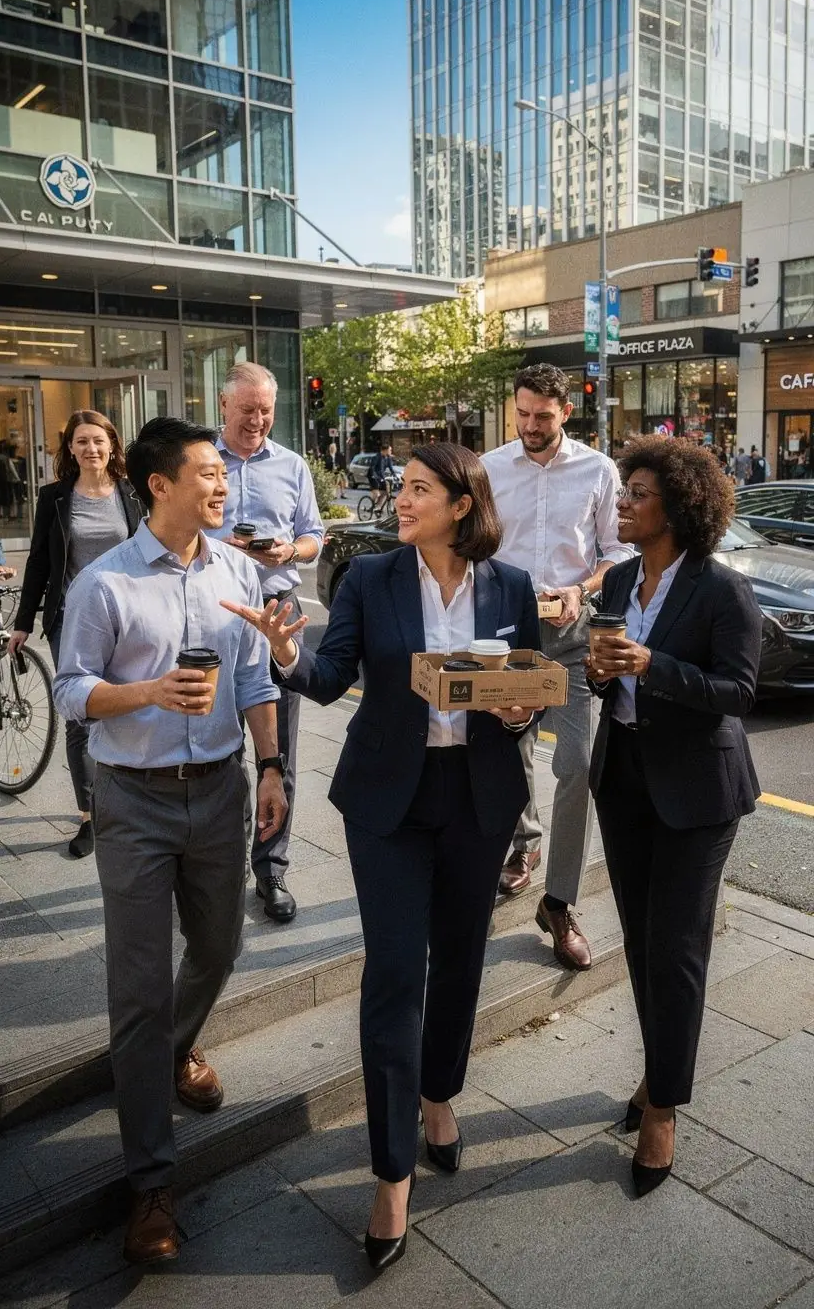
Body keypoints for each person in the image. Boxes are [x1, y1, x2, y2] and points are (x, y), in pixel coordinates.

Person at [222, 443, 544, 1273]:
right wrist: (284, 652)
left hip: (478, 800)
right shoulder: (369, 578)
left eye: (418, 490)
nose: (400, 501)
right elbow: (328, 679)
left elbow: (523, 701)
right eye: (400, 489)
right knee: (398, 974)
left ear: (462, 504)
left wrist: (514, 711)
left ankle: (441, 1099)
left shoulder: (507, 587)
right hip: (389, 805)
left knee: (462, 962)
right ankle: (393, 1170)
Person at [52, 418, 287, 1265]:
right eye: (208, 473)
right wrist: (148, 690)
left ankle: (173, 1050)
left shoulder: (235, 568)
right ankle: (151, 1183)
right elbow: (73, 692)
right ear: (159, 484)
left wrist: (271, 766)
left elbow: (258, 676)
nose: (223, 485)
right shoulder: (106, 585)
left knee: (221, 948)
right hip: (133, 802)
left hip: (223, 791)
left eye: (224, 475)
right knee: (140, 984)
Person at [585, 435, 762, 1197]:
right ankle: (659, 1072)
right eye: (623, 490)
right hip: (624, 779)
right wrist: (603, 675)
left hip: (697, 796)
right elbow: (610, 679)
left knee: (677, 951)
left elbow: (738, 693)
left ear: (678, 508)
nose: (621, 502)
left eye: (636, 494)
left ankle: (663, 1108)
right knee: (639, 943)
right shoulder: (621, 579)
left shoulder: (723, 591)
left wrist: (654, 666)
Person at [481, 363, 633, 970]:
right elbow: (477, 545)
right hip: (511, 635)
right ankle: (524, 845)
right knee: (508, 756)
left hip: (572, 635)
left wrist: (582, 589)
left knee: (576, 766)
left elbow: (617, 551)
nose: (530, 426)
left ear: (567, 412)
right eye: (522, 414)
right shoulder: (490, 469)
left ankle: (560, 901)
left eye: (542, 416)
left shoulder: (598, 469)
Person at [212, 363, 323, 923]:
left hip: (279, 608)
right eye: (247, 409)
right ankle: (215, 865)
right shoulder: (201, 463)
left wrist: (291, 552)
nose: (257, 420)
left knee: (279, 746)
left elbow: (315, 535)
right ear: (223, 404)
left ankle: (270, 867)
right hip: (212, 610)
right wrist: (221, 543)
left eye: (266, 410)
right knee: (214, 740)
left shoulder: (293, 464)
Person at [9, 412, 143, 858]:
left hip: (127, 617)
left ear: (112, 445)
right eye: (82, 442)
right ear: (70, 448)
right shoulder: (55, 498)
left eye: (99, 441)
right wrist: (23, 622)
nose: (91, 449)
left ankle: (131, 799)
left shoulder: (132, 492)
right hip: (71, 617)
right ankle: (89, 816)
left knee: (130, 704)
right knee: (80, 717)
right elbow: (39, 563)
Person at [369, 443, 396, 512]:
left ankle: (378, 506)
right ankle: (372, 506)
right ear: (385, 450)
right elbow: (373, 468)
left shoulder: (388, 458)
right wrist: (376, 477)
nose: (391, 451)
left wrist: (395, 476)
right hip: (373, 476)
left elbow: (391, 468)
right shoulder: (377, 457)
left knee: (385, 492)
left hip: (381, 477)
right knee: (377, 493)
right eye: (390, 450)